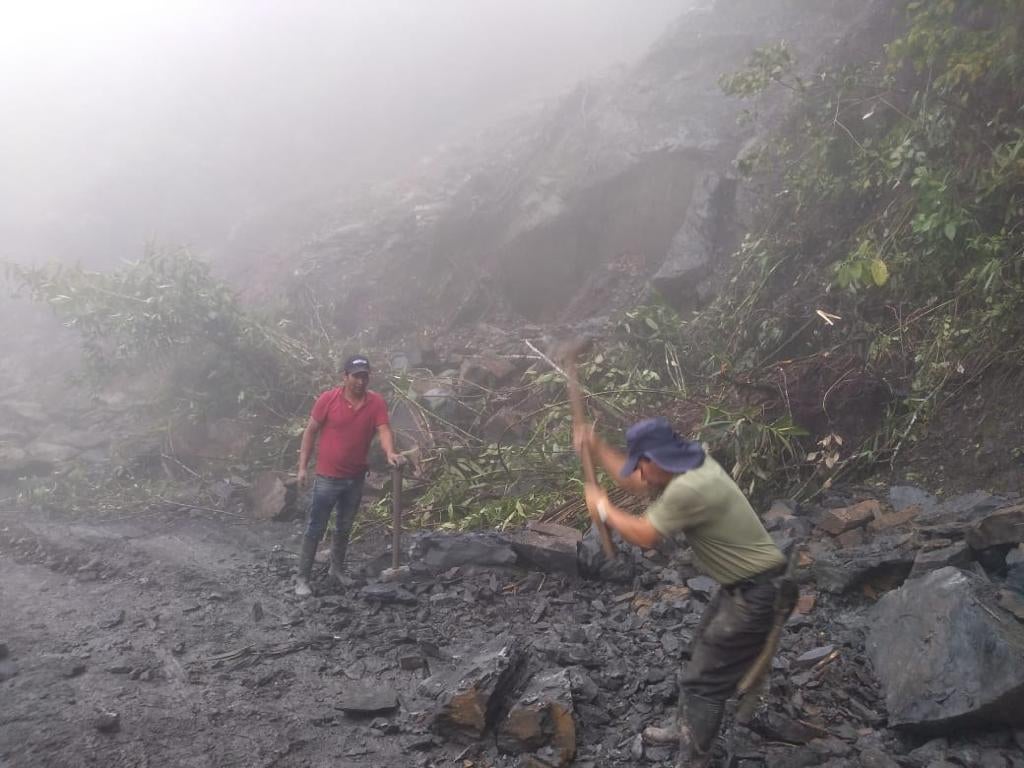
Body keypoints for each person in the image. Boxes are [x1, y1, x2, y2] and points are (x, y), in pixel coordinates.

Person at [575, 416, 786, 767]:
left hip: (756, 594)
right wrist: (595, 447)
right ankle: (682, 727)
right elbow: (638, 483)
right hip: (744, 585)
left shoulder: (690, 488)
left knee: (706, 682)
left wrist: (601, 507)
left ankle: (695, 759)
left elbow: (644, 535)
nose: (639, 475)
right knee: (695, 658)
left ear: (656, 460)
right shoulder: (692, 462)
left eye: (641, 465)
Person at [295, 354, 402, 597]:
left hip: (355, 478)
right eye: (355, 376)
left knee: (344, 526)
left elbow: (384, 429)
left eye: (364, 376)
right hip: (327, 478)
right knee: (316, 526)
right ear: (345, 377)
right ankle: (302, 579)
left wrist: (390, 453)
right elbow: (310, 432)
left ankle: (337, 570)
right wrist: (302, 467)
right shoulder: (328, 400)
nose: (360, 381)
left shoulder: (375, 403)